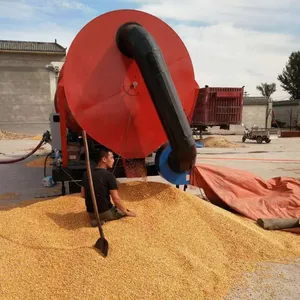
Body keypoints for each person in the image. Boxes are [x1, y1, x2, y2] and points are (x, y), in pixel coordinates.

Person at [80, 147, 136, 227]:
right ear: (104, 159)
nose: (113, 160)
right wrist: (127, 212)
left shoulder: (86, 174)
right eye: (112, 158)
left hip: (91, 214)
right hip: (105, 213)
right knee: (122, 211)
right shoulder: (109, 176)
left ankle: (97, 220)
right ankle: (103, 219)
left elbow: (82, 194)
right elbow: (116, 199)